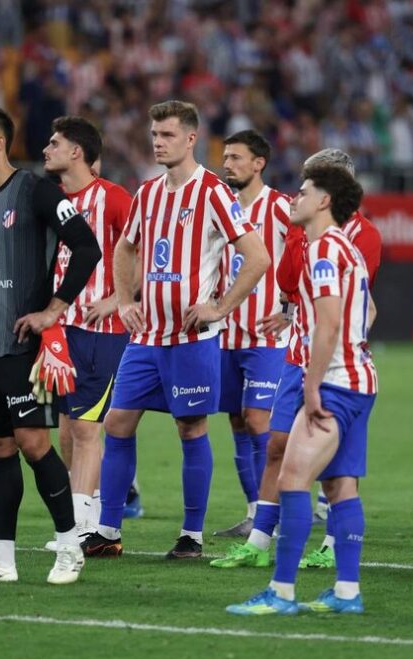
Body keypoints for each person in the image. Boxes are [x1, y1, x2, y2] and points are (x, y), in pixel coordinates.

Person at [80, 99, 270, 560]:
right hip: (146, 338)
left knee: (190, 428)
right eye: (154, 135)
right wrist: (125, 301)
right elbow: (126, 251)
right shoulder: (147, 193)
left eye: (166, 135)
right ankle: (107, 529)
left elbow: (258, 256)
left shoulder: (213, 193)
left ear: (190, 139)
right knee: (118, 422)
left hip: (190, 340)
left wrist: (219, 306)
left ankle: (191, 535)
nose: (157, 143)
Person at [0, 103, 100, 585]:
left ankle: (71, 546)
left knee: (33, 442)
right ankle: (0, 559)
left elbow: (86, 245)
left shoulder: (36, 191)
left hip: (24, 342)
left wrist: (55, 308)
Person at [211, 148, 380, 570]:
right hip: (297, 358)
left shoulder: (357, 239)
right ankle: (259, 542)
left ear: (330, 192)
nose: (296, 194)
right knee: (277, 447)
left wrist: (343, 347)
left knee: (326, 470)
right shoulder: (306, 234)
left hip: (330, 368)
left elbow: (358, 306)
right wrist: (292, 247)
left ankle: (322, 552)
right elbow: (288, 284)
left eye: (307, 185)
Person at [40, 116, 132, 546]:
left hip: (103, 330)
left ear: (76, 152)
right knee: (65, 431)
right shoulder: (51, 201)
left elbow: (150, 254)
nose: (46, 149)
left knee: (85, 429)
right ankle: (89, 516)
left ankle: (77, 528)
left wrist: (117, 300)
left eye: (54, 142)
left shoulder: (113, 199)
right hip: (60, 332)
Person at [212, 130, 291, 538]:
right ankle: (253, 510)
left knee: (260, 420)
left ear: (259, 163)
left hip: (266, 338)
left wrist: (291, 307)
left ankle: (269, 519)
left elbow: (308, 253)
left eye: (236, 158)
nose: (227, 164)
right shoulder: (219, 205)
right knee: (237, 421)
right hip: (224, 334)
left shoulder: (280, 207)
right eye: (225, 157)